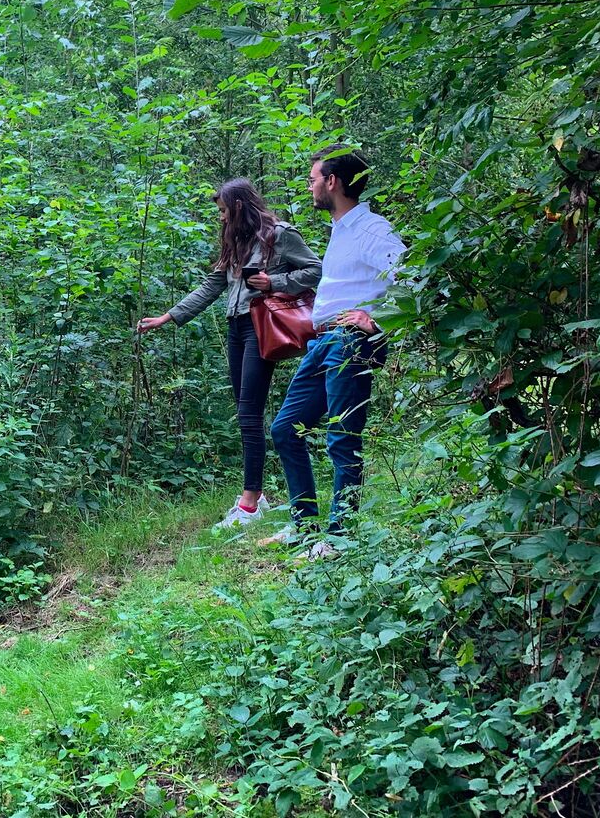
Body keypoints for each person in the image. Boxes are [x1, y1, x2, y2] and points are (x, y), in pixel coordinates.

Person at [137, 179, 321, 529]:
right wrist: (169, 316)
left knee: (249, 413)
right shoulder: (235, 240)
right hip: (235, 327)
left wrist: (274, 283)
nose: (220, 218)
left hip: (261, 326)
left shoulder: (279, 235)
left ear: (237, 206)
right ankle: (258, 495)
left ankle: (250, 504)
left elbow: (316, 269)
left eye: (223, 211)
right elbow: (213, 284)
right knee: (244, 411)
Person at [261, 146, 405, 559]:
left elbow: (414, 276)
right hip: (324, 340)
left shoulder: (372, 229)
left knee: (343, 438)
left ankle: (339, 538)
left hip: (351, 342)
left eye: (312, 179)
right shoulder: (343, 229)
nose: (309, 186)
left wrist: (378, 321)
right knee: (286, 428)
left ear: (332, 182)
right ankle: (305, 528)